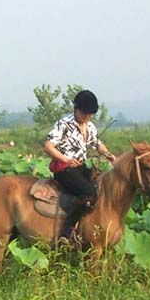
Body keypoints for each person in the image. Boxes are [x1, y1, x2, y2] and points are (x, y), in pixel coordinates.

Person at [43, 90, 115, 241]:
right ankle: (66, 231)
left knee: (100, 186)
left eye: (90, 114)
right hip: (64, 169)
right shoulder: (63, 124)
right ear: (76, 108)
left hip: (80, 167)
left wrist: (109, 155)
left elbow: (98, 144)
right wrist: (65, 159)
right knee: (89, 193)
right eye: (84, 113)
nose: (87, 117)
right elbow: (48, 146)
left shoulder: (90, 127)